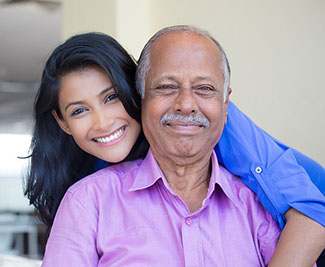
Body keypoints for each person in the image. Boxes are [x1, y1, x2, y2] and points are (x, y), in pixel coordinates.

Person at [25, 32, 324, 264]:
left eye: (111, 97)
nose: (103, 123)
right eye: (79, 111)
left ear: (136, 93)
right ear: (62, 122)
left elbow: (312, 212)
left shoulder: (209, 125)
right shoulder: (88, 189)